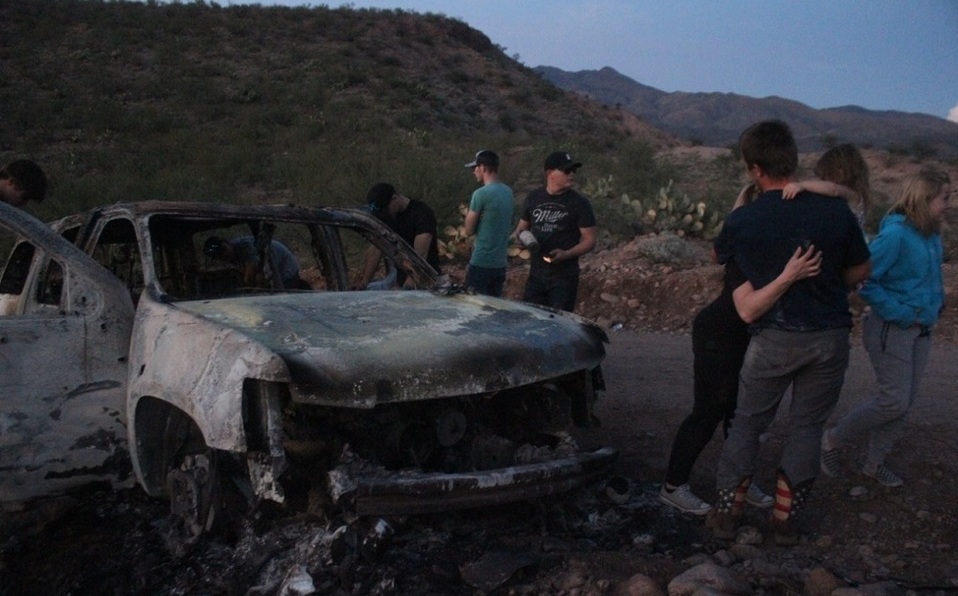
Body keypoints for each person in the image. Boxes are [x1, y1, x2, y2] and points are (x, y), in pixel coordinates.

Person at [707, 120, 871, 545]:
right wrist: (833, 284)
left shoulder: (745, 219)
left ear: (754, 168)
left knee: (748, 425)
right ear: (793, 159)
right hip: (830, 336)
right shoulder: (835, 211)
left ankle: (727, 514)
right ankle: (784, 521)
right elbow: (861, 268)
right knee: (806, 428)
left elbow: (719, 257)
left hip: (775, 337)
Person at [659, 187, 824, 516]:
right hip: (718, 334)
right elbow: (749, 308)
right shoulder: (744, 253)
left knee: (741, 413)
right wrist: (790, 277)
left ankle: (738, 484)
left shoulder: (767, 247)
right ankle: (673, 486)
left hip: (743, 337)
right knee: (709, 411)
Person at [820, 168, 950, 488]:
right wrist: (900, 311)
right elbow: (863, 278)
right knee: (894, 401)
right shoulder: (896, 235)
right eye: (944, 198)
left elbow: (923, 277)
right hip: (893, 328)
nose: (948, 204)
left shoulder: (930, 232)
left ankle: (874, 464)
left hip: (921, 328)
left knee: (903, 403)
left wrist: (934, 303)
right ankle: (833, 439)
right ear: (924, 198)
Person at [513, 151, 596, 312]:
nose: (571, 174)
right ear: (550, 173)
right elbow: (521, 229)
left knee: (558, 325)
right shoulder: (534, 197)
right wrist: (521, 240)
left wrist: (567, 254)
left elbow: (590, 240)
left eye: (573, 170)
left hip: (564, 278)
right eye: (566, 170)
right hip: (536, 275)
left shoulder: (580, 203)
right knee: (530, 321)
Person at [355, 182, 440, 289]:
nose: (385, 215)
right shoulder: (387, 217)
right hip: (400, 278)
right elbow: (376, 248)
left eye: (386, 210)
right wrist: (364, 282)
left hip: (425, 282)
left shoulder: (422, 213)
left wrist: (409, 284)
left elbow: (420, 254)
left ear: (395, 198)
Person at [462, 150, 514, 297]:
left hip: (481, 262)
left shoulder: (480, 194)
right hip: (500, 264)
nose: (474, 172)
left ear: (483, 167)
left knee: (474, 309)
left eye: (475, 168)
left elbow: (468, 230)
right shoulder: (508, 192)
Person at [783, 143, 871, 229]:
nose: (823, 182)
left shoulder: (853, 195)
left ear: (840, 172)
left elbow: (834, 189)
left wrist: (802, 185)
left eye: (825, 177)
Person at [204, 235, 304, 289]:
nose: (224, 255)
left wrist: (248, 285)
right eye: (219, 256)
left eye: (224, 250)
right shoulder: (231, 258)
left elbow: (250, 273)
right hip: (270, 273)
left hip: (285, 271)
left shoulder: (245, 246)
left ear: (226, 243)